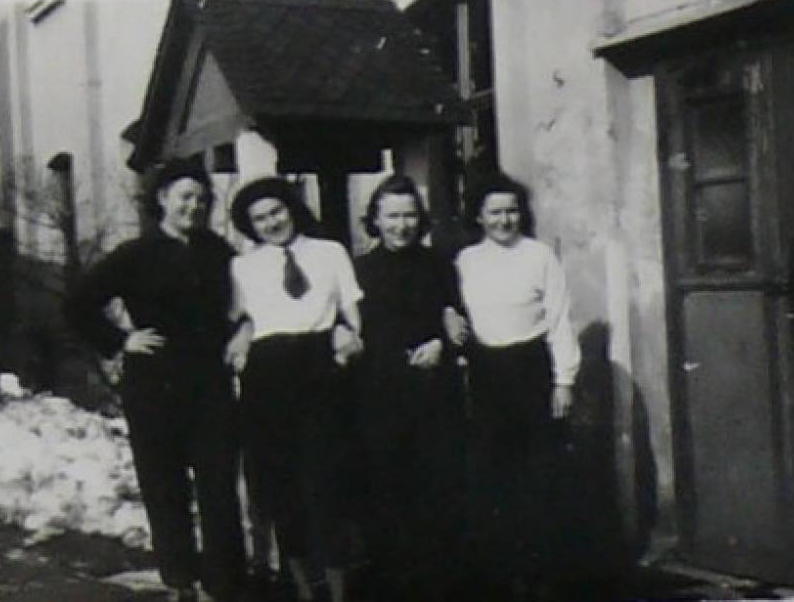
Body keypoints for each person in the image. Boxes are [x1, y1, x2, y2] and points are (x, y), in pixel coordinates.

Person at [64, 157, 247, 602]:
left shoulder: (218, 251)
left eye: (201, 199)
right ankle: (180, 582)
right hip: (154, 386)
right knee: (165, 488)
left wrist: (242, 332)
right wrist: (120, 340)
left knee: (218, 488)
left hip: (209, 385)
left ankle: (224, 585)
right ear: (163, 198)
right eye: (185, 197)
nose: (194, 206)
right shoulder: (135, 254)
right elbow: (78, 303)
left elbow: (246, 304)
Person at [226, 177, 363, 602]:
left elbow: (352, 310)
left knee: (327, 486)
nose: (271, 223)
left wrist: (348, 335)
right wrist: (242, 336)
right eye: (260, 219)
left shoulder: (330, 252)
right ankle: (305, 590)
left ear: (292, 209)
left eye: (277, 212)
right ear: (250, 226)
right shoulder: (242, 267)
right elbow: (241, 319)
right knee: (281, 489)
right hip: (268, 377)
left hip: (320, 368)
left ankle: (339, 593)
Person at [453, 172, 581, 601]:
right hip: (487, 374)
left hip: (532, 370)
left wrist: (563, 381)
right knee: (494, 476)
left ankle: (543, 575)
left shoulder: (539, 256)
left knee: (539, 475)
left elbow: (559, 319)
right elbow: (455, 314)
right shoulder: (466, 261)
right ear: (479, 216)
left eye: (511, 211)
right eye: (494, 212)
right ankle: (505, 576)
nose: (504, 220)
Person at [353, 175, 467, 601]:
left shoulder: (440, 264)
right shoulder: (359, 270)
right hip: (379, 396)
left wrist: (442, 343)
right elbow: (349, 326)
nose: (402, 225)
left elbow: (457, 317)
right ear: (376, 220)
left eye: (409, 216)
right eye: (392, 217)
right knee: (387, 491)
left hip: (434, 393)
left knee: (439, 488)